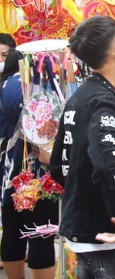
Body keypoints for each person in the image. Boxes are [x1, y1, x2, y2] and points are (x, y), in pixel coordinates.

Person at [50, 16, 115, 279]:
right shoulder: (103, 101)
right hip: (103, 236)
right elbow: (109, 165)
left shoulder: (80, 96)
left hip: (86, 228)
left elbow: (59, 167)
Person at [1, 48, 57, 279]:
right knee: (40, 233)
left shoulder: (4, 84)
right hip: (34, 168)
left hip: (7, 168)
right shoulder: (34, 87)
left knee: (12, 230)